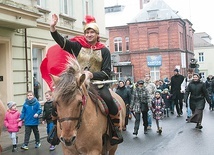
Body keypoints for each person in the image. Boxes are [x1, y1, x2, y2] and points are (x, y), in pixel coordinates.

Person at [50, 14, 122, 145]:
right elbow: (62, 42)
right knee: (57, 103)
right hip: (77, 84)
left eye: (92, 32)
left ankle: (115, 131)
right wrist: (53, 28)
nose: (89, 35)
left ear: (97, 34)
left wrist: (91, 75)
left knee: (110, 101)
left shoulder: (104, 51)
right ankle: (55, 130)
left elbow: (106, 72)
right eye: (87, 32)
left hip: (97, 85)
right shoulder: (78, 46)